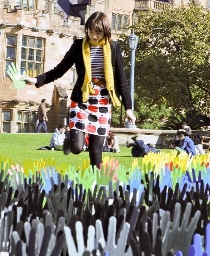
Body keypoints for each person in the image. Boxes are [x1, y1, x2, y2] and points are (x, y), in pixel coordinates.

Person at [24, 11, 135, 168]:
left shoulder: (114, 47)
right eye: (90, 31)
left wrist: (129, 108)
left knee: (96, 153)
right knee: (76, 148)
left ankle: (96, 187)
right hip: (81, 100)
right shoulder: (78, 46)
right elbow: (59, 70)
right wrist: (36, 80)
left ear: (105, 31)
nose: (93, 36)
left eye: (98, 32)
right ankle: (71, 139)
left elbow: (122, 80)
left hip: (102, 102)